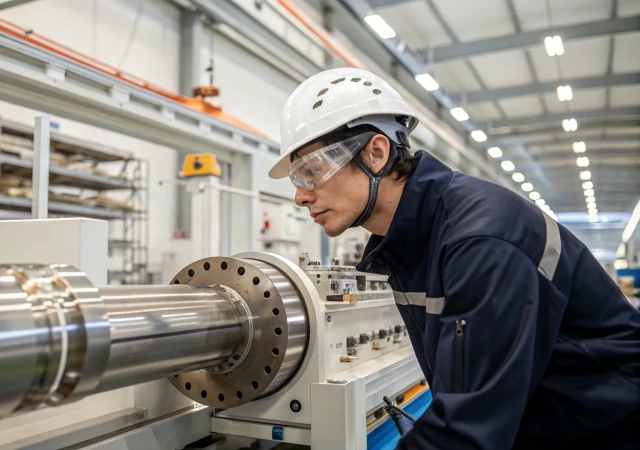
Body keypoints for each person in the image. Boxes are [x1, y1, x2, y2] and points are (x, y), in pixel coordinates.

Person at [269, 67, 640, 449]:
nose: (301, 196)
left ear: (376, 153)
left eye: (312, 172)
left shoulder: (480, 239)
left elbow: (468, 429)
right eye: (298, 180)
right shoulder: (409, 244)